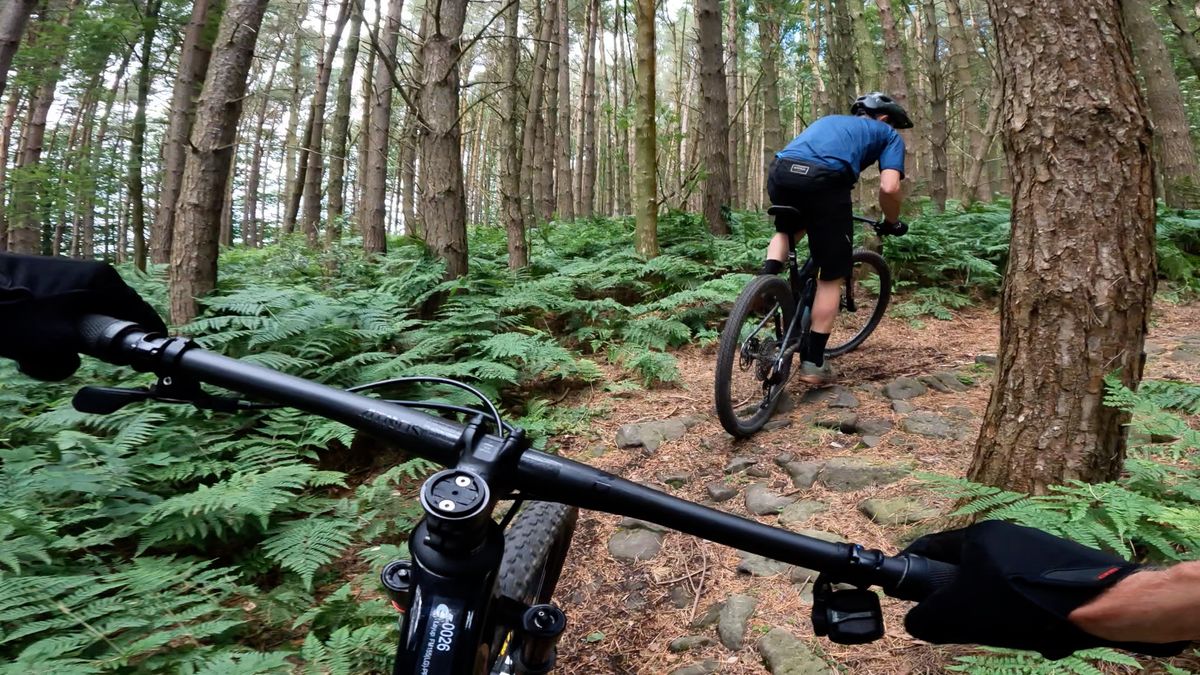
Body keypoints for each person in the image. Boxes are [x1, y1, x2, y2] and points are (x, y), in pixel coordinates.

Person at [0, 252, 1196, 659]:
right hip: (829, 195)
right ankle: (812, 340)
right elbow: (880, 187)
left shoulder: (811, 134)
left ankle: (772, 291)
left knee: (790, 237)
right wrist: (1101, 602)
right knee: (832, 269)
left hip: (790, 182)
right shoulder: (876, 136)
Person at [764, 92, 912, 385]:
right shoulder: (887, 134)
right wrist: (891, 222)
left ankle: (764, 286)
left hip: (782, 172)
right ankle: (813, 363)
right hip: (825, 181)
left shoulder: (830, 120)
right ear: (884, 118)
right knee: (830, 277)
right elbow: (889, 187)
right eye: (893, 124)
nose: (893, 130)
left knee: (788, 230)